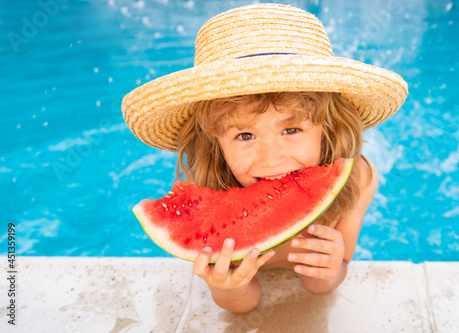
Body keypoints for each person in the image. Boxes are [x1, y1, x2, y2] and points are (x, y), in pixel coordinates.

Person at [122, 4, 408, 313]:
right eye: (245, 136)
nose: (271, 159)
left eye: (292, 129)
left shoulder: (358, 179)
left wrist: (331, 268)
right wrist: (227, 289)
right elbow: (245, 304)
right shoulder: (205, 189)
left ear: (329, 129)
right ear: (214, 144)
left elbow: (325, 281)